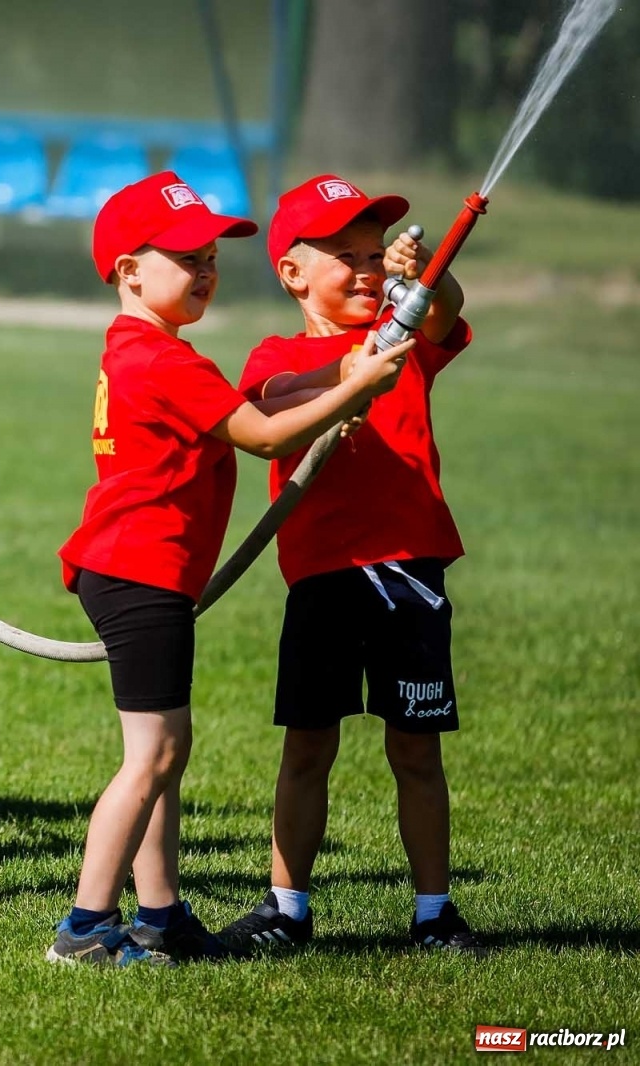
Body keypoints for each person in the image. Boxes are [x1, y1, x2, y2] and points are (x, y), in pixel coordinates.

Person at [44, 172, 413, 966]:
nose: (206, 269)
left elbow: (271, 391)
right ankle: (84, 927)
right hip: (139, 571)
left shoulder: (148, 348)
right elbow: (265, 435)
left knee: (163, 755)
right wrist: (355, 393)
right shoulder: (165, 362)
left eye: (210, 256)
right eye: (185, 257)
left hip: (143, 572)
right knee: (154, 756)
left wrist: (345, 370)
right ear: (128, 271)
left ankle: (161, 915)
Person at [217, 174, 483, 955]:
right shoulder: (278, 353)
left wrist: (423, 271)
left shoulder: (407, 339)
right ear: (293, 272)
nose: (368, 271)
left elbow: (447, 310)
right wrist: (353, 373)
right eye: (346, 256)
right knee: (308, 745)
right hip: (324, 578)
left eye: (377, 255)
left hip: (409, 571)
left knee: (415, 747)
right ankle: (286, 908)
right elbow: (268, 403)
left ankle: (434, 912)